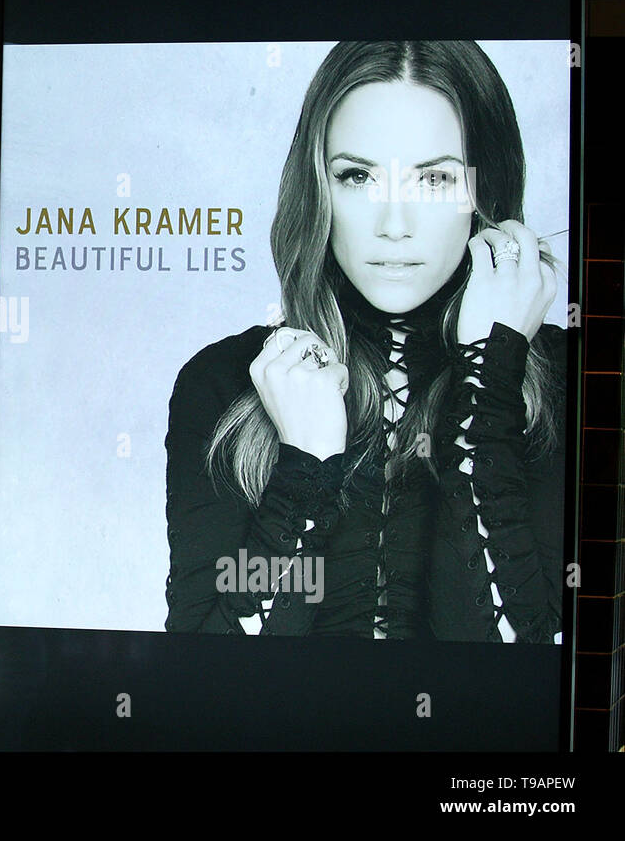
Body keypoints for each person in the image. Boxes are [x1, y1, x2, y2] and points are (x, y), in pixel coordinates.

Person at [164, 40, 565, 643]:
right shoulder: (227, 383)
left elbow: (533, 681)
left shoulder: (570, 381)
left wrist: (489, 382)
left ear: (487, 191)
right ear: (318, 188)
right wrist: (306, 467)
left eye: (434, 178)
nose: (394, 224)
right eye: (358, 176)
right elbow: (206, 687)